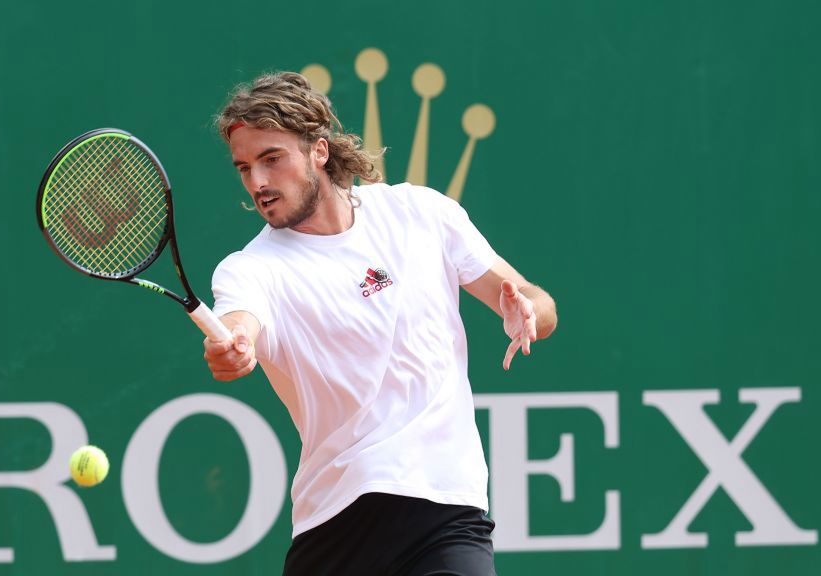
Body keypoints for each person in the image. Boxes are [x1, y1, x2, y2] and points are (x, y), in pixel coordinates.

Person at [204, 71, 557, 575]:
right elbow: (240, 321)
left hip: (445, 510)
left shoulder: (422, 213)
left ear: (318, 151)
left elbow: (538, 305)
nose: (257, 182)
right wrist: (234, 343)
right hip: (335, 526)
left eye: (271, 159)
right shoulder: (251, 268)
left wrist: (524, 311)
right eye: (244, 167)